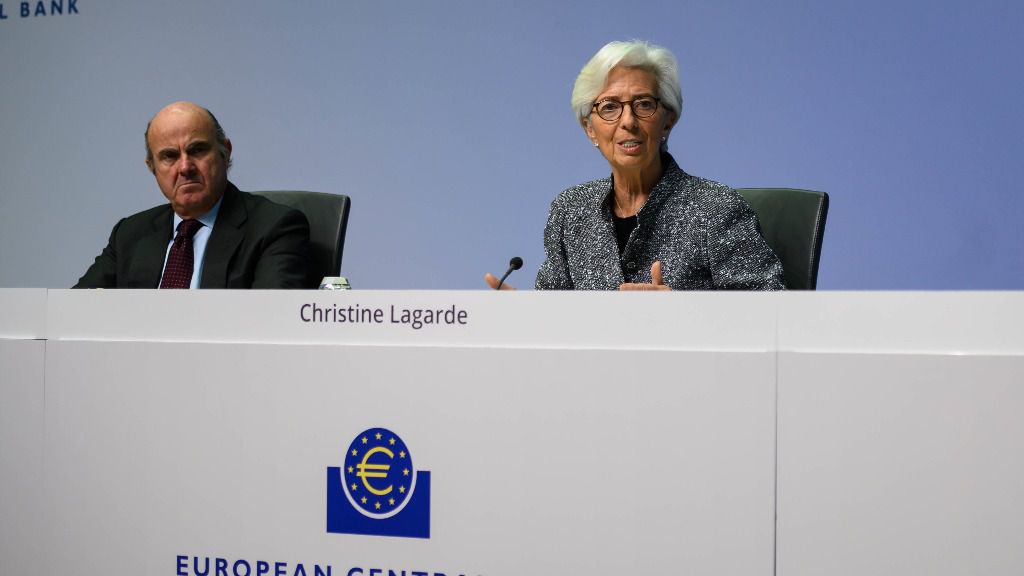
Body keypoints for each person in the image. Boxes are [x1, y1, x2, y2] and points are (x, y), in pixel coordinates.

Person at [486, 40, 784, 291]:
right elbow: (553, 316)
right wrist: (524, 317)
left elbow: (772, 311)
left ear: (668, 119)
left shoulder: (717, 208)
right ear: (590, 128)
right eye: (610, 107)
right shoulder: (570, 211)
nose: (628, 121)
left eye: (643, 104)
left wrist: (682, 315)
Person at [74, 101, 312, 289]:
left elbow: (270, 322)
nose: (185, 167)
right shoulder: (129, 235)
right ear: (152, 167)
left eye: (197, 150)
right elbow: (73, 311)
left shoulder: (274, 228)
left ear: (225, 152)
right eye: (169, 156)